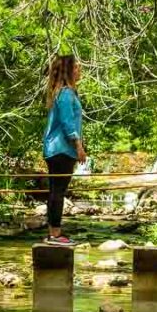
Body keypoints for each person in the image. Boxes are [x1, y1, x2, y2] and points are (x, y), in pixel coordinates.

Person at [42, 54, 86, 246]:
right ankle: (56, 235)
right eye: (76, 67)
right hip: (62, 149)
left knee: (55, 191)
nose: (80, 70)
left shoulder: (61, 92)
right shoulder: (66, 93)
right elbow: (68, 123)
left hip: (55, 148)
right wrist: (79, 147)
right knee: (58, 192)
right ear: (69, 71)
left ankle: (53, 233)